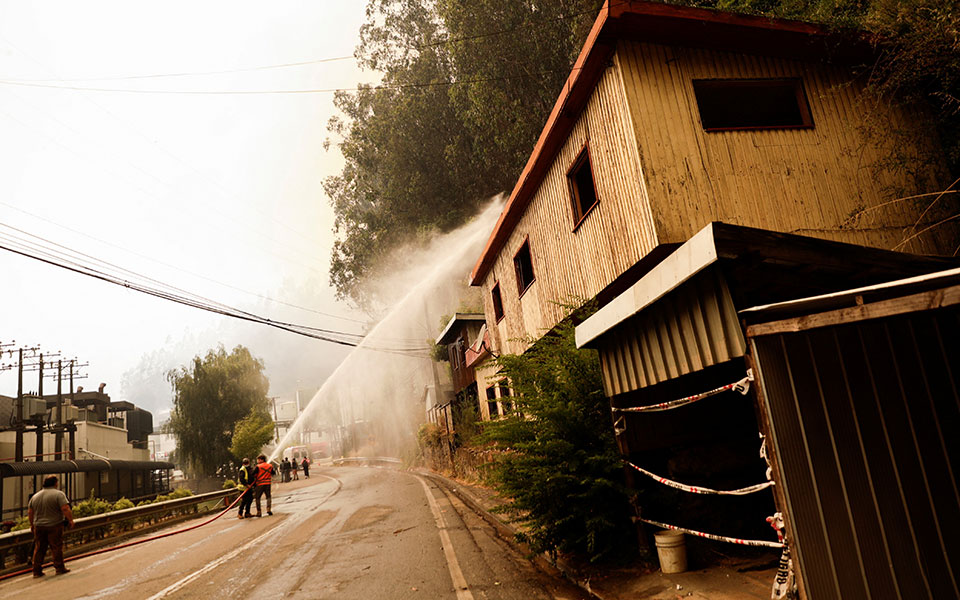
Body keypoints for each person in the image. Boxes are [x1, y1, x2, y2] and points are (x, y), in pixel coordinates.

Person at [28, 475, 75, 578]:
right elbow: (65, 508)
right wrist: (70, 520)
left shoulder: (35, 496)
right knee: (56, 547)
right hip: (54, 525)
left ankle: (36, 571)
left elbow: (30, 512)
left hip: (39, 526)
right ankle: (59, 568)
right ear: (55, 483)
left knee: (39, 548)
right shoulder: (59, 494)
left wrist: (32, 525)